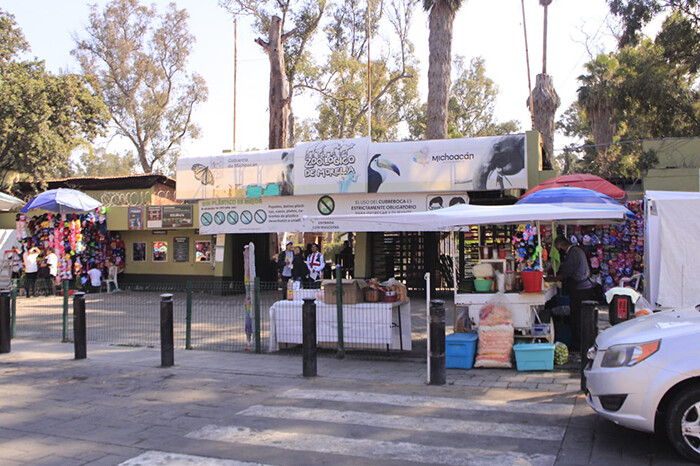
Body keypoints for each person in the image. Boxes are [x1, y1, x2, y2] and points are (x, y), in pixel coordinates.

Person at [545, 236, 595, 351]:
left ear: (560, 246)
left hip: (580, 289)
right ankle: (581, 342)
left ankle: (578, 344)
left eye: (557, 248)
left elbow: (566, 273)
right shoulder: (577, 251)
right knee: (579, 316)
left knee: (577, 317)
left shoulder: (573, 253)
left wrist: (552, 279)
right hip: (583, 287)